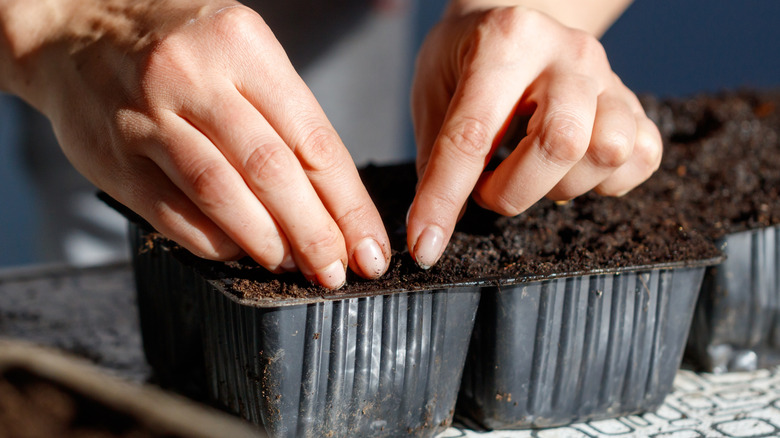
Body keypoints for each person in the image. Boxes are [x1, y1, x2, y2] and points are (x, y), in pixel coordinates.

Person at [0, 0, 662, 289]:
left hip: (328, 24)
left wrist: (523, 15)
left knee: (313, 197)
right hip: (108, 51)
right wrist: (65, 22)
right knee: (168, 224)